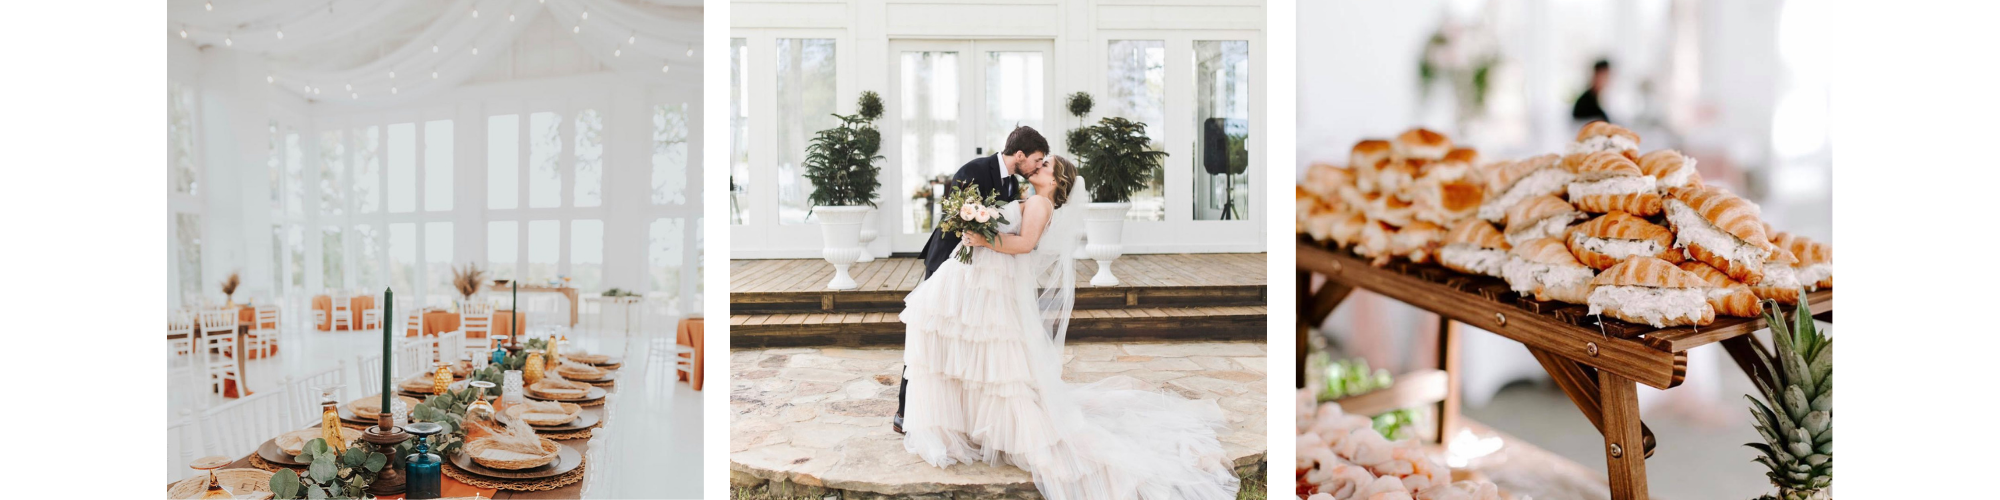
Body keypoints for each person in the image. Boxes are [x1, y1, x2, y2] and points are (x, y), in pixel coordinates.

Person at [898, 156, 1240, 499]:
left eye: (1045, 166)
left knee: (990, 363)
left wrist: (984, 240)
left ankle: (993, 428)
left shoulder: (1039, 204)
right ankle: (969, 423)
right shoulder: (1029, 198)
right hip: (982, 282)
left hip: (990, 281)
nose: (1039, 167)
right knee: (972, 355)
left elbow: (1025, 245)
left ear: (1056, 181)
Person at [895, 126, 1049, 434]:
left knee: (961, 337)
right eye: (1036, 159)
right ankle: (905, 409)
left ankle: (956, 411)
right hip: (949, 261)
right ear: (1019, 155)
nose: (1037, 166)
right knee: (931, 330)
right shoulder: (974, 170)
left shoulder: (1011, 185)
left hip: (976, 270)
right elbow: (957, 218)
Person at [1572, 59, 1612, 124]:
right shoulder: (1584, 103)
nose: (1607, 79)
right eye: (1604, 75)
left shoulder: (1598, 99)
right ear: (1596, 75)